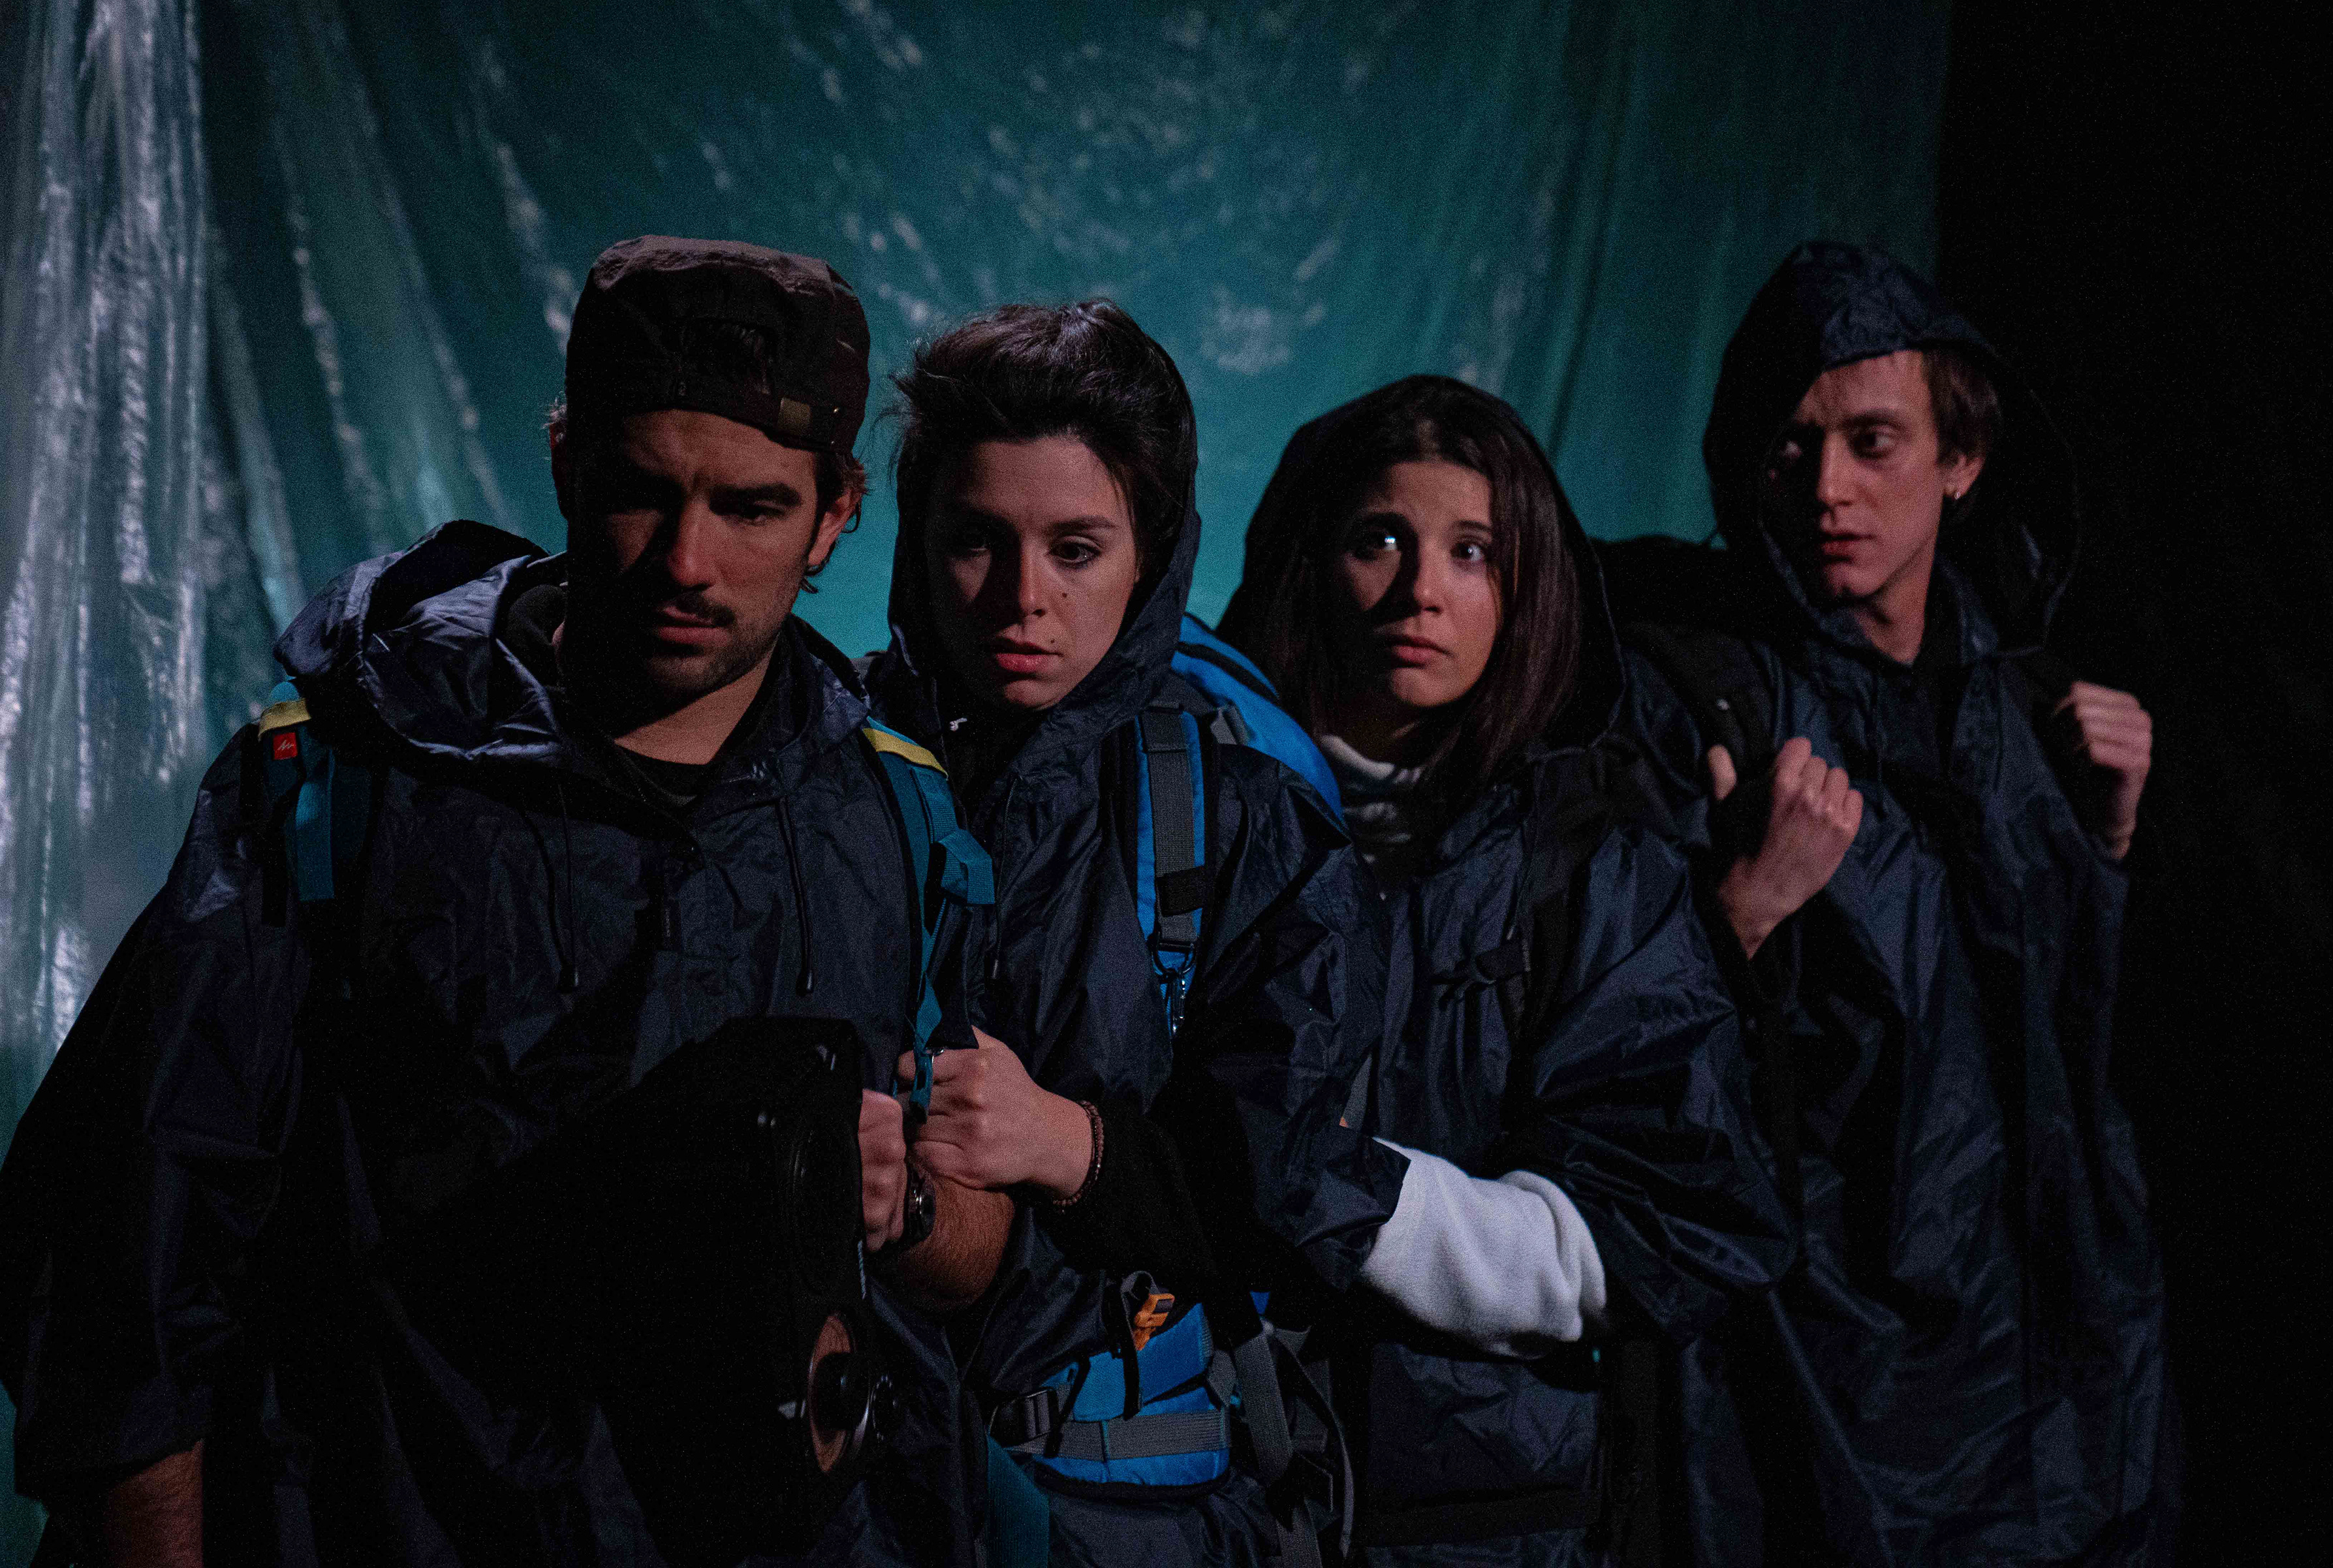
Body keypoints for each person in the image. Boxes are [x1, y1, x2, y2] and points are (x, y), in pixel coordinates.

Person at [0, 238, 1007, 1567]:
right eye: (642, 491)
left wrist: (903, 1205)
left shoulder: (894, 814)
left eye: (753, 508)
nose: (688, 561)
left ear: (835, 517)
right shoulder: (344, 783)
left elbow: (973, 1248)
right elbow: (129, 1258)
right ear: (566, 466)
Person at [1605, 242, 2172, 1565]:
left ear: (1960, 459)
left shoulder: (2033, 713)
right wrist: (1740, 907)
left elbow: (2080, 1057)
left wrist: (2108, 840)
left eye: (1874, 442)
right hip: (1824, 1366)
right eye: (1792, 448)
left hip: (2059, 1363)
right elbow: (1616, 1056)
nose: (1829, 489)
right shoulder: (1696, 697)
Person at [1217, 375, 1813, 1565]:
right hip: (1209, 1502)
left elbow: (1658, 1227)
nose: (1422, 592)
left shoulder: (1595, 873)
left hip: (1487, 1525)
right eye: (1380, 539)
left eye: (1473, 552)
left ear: (1527, 589)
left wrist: (1360, 1196)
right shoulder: (1199, 824)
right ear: (1310, 562)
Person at [858, 302, 1405, 1567]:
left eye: (1076, 548)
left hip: (1132, 1510)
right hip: (854, 1495)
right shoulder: (822, 774)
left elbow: (1296, 1202)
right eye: (976, 541)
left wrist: (1074, 1144)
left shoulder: (1241, 807)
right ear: (913, 539)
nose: (1023, 598)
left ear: (1152, 553)